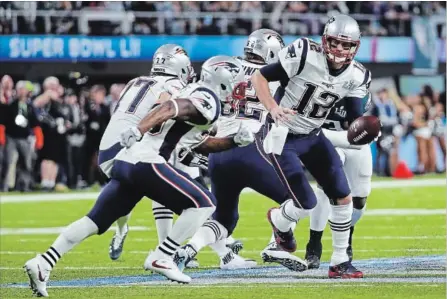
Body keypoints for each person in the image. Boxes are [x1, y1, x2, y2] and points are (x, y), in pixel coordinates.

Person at [23, 55, 254, 296]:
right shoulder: (208, 97)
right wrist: (138, 128)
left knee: (95, 221)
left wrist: (233, 141)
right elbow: (169, 108)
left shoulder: (192, 92)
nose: (239, 91)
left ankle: (43, 263)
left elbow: (200, 143)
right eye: (237, 85)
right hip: (144, 158)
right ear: (224, 81)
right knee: (204, 204)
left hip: (128, 160)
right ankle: (163, 255)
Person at [174, 29, 307, 272]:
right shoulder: (274, 76)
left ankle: (189, 249)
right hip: (250, 148)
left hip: (218, 150)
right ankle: (275, 245)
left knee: (225, 218)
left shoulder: (224, 66)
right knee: (298, 198)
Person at [251, 14, 371, 278]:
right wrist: (272, 108)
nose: (339, 49)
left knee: (342, 195)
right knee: (305, 203)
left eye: (346, 44)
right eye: (334, 43)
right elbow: (259, 77)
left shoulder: (358, 75)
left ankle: (339, 261)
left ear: (356, 47)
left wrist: (366, 130)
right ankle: (279, 219)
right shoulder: (304, 53)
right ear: (323, 41)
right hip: (281, 132)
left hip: (313, 135)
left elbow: (354, 120)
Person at [99, 45, 201, 269]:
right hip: (131, 147)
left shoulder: (135, 81)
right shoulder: (171, 84)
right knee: (193, 198)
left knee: (121, 197)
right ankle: (167, 251)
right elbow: (164, 112)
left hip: (107, 148)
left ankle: (121, 230)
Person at [304, 95, 373, 269]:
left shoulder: (357, 83)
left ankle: (347, 232)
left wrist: (370, 128)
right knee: (324, 185)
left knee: (360, 198)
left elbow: (356, 125)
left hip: (354, 143)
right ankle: (314, 244)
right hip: (326, 142)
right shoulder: (317, 83)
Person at [1, 81, 43, 191]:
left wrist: (39, 138)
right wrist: (2, 136)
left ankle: (25, 186)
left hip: (25, 138)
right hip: (11, 137)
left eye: (23, 89)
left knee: (27, 163)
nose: (21, 91)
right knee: (8, 162)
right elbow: (3, 121)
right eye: (20, 89)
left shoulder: (29, 106)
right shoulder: (11, 104)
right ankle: (5, 186)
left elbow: (35, 123)